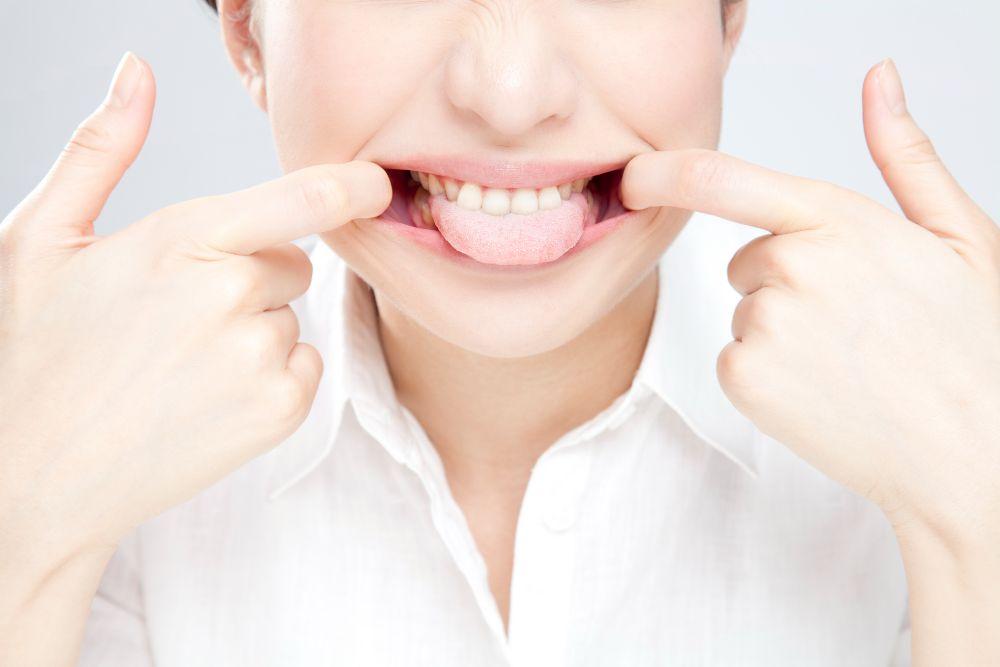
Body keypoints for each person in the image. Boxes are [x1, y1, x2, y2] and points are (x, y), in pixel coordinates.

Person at [1, 0, 998, 664]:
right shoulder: (93, 453)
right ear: (248, 32)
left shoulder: (936, 429)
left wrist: (977, 521)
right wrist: (21, 527)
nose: (510, 95)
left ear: (727, 16)